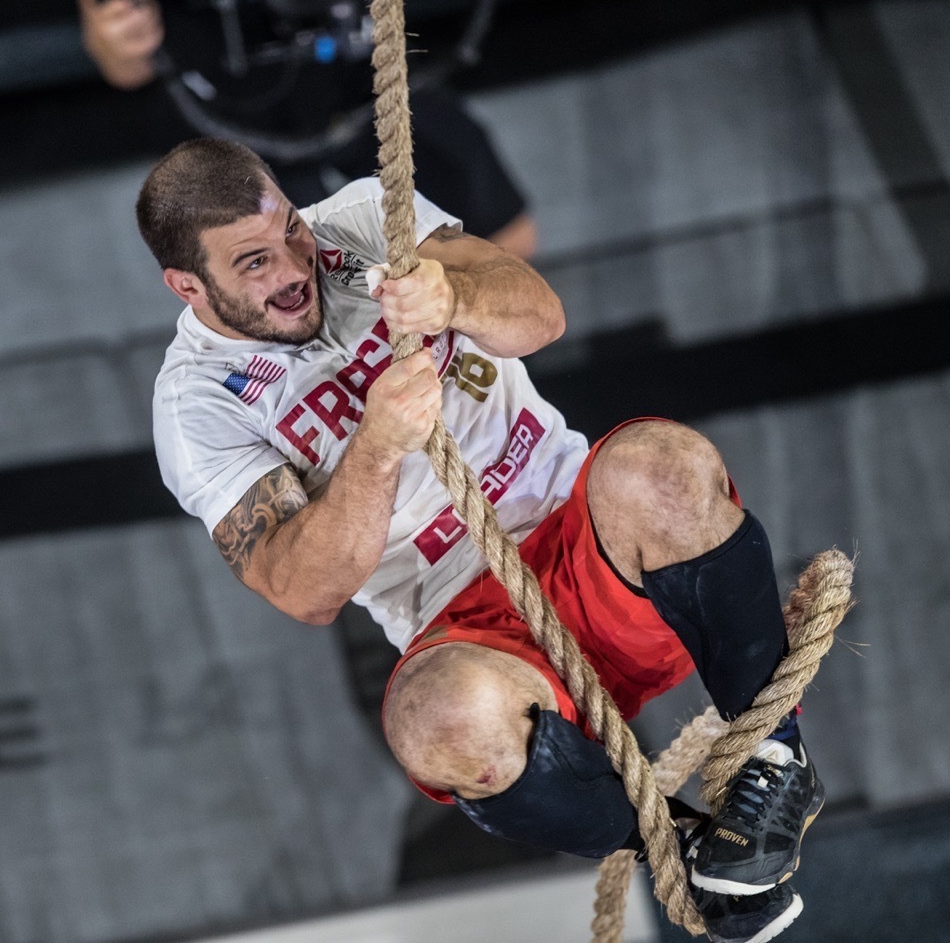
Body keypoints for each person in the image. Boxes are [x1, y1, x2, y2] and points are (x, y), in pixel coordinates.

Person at [139, 138, 824, 943]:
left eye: (288, 228)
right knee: (436, 720)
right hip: (472, 635)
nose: (294, 267)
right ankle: (696, 856)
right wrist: (378, 445)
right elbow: (302, 589)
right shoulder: (196, 407)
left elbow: (540, 314)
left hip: (595, 546)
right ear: (188, 286)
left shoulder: (360, 221)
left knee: (661, 466)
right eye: (252, 262)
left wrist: (451, 295)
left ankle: (776, 763)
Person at [76, 0, 538, 257]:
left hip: (369, 79)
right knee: (287, 299)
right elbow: (120, 61)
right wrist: (125, 30)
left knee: (501, 245)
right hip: (232, 118)